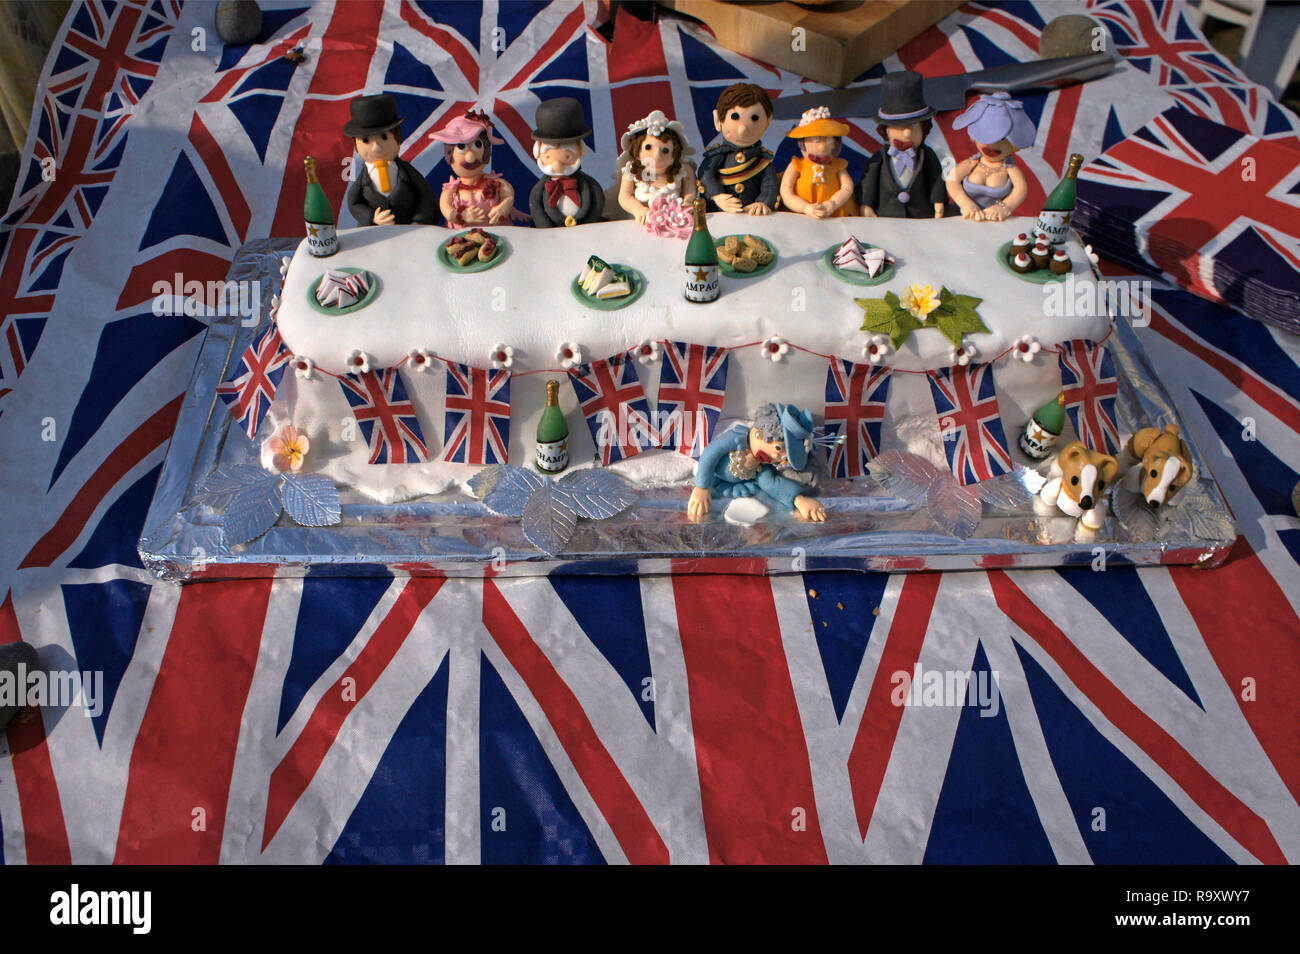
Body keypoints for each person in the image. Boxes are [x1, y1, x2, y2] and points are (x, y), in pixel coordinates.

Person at [688, 403, 827, 522]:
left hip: (746, 484)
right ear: (760, 432)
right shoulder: (738, 437)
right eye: (778, 449)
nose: (774, 457)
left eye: (781, 458)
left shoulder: (763, 468)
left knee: (767, 481)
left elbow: (774, 485)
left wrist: (799, 500)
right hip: (716, 479)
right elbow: (711, 453)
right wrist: (702, 486)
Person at [856, 71, 946, 219]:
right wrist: (866, 205)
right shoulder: (880, 158)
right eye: (899, 127)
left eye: (913, 127)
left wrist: (938, 203)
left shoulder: (927, 155)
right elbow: (869, 182)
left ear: (924, 128)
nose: (906, 134)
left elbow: (935, 179)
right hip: (886, 215)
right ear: (885, 129)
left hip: (921, 215)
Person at [344, 93, 438, 226]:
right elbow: (354, 203)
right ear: (356, 144)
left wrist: (419, 221)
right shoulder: (363, 180)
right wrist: (372, 218)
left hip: (409, 230)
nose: (376, 147)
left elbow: (425, 196)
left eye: (384, 137)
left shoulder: (407, 172)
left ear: (397, 136)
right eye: (366, 140)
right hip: (376, 234)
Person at [945, 92, 1036, 222]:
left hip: (994, 223)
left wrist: (1003, 208)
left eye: (1002, 138)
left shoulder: (1009, 169)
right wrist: (965, 203)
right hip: (964, 218)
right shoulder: (973, 163)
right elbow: (951, 179)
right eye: (985, 136)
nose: (992, 145)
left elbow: (1021, 189)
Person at [429, 109, 524, 227]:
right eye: (462, 147)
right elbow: (447, 210)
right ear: (449, 154)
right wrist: (461, 216)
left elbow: (508, 195)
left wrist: (504, 206)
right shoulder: (452, 190)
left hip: (497, 238)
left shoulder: (495, 183)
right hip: (463, 239)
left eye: (477, 145)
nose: (470, 157)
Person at [697, 83, 778, 215]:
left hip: (752, 217)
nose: (743, 129)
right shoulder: (717, 156)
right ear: (718, 120)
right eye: (735, 117)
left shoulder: (762, 161)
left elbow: (770, 184)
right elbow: (706, 176)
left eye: (755, 118)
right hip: (720, 213)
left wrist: (763, 202)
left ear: (767, 122)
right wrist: (717, 196)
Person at [528, 97, 605, 227]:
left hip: (584, 230)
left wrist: (590, 224)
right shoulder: (541, 189)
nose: (557, 165)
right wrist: (546, 229)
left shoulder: (588, 184)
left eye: (567, 157)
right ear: (538, 153)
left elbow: (598, 200)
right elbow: (536, 206)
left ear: (581, 150)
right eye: (548, 158)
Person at [616, 109, 697, 225]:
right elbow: (624, 197)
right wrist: (638, 209)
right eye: (648, 147)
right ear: (637, 150)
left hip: (676, 223)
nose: (657, 156)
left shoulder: (683, 171)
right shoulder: (631, 171)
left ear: (675, 153)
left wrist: (686, 205)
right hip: (640, 225)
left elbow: (690, 193)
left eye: (665, 150)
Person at [779, 106, 857, 219]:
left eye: (829, 140)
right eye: (815, 139)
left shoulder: (838, 166)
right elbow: (786, 191)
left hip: (836, 215)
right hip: (801, 217)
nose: (822, 146)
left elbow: (847, 187)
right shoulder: (797, 165)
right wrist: (805, 207)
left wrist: (832, 204)